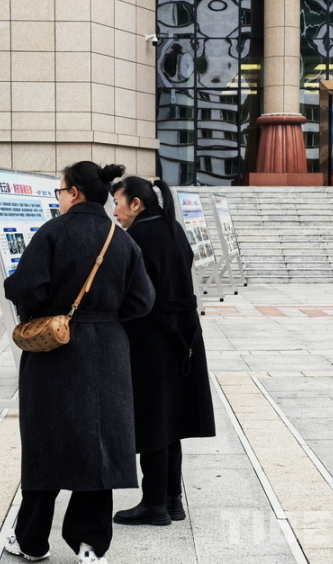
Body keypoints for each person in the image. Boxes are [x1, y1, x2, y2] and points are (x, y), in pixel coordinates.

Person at [2, 162, 155, 564]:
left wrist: (40, 310)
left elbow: (25, 287)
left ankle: (32, 541)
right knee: (99, 445)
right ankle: (90, 546)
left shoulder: (53, 232)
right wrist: (106, 317)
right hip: (108, 351)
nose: (59, 198)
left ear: (73, 193)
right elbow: (143, 300)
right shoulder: (121, 239)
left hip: (55, 349)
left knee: (45, 444)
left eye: (60, 191)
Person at [110, 176, 216, 527]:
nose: (115, 212)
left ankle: (154, 503)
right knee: (171, 418)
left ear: (136, 204)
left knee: (154, 419)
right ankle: (172, 500)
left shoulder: (137, 237)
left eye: (118, 203)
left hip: (153, 335)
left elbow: (129, 292)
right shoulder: (172, 228)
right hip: (184, 334)